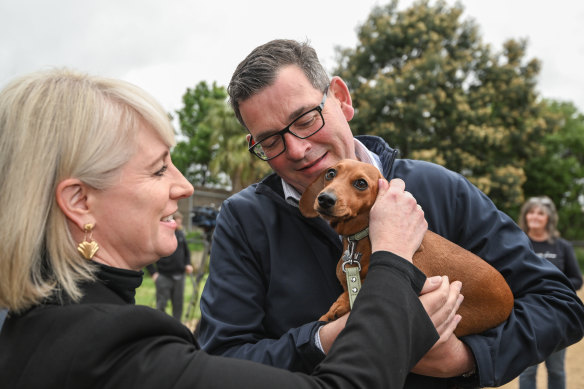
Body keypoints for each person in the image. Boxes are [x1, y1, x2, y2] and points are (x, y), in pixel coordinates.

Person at [0, 68, 463, 388]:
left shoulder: (38, 325)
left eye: (305, 119)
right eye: (160, 169)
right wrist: (391, 261)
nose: (184, 187)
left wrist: (467, 360)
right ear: (79, 201)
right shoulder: (117, 351)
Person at [197, 39, 584, 388]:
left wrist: (465, 360)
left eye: (305, 119)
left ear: (341, 99)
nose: (297, 149)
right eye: (271, 140)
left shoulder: (440, 188)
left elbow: (559, 305)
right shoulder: (243, 220)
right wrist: (328, 338)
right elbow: (218, 362)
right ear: (255, 144)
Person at [517, 196, 583, 389]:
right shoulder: (518, 243)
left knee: (556, 370)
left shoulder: (562, 246)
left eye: (540, 213)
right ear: (525, 216)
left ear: (549, 218)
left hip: (557, 316)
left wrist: (552, 288)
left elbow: (577, 280)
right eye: (531, 212)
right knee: (527, 369)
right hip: (526, 316)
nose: (534, 216)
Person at [146, 211, 193, 321]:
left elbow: (187, 252)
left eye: (180, 222)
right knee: (161, 303)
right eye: (177, 221)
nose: (179, 224)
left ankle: (177, 327)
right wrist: (153, 273)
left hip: (180, 276)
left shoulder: (181, 235)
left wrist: (187, 264)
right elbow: (148, 254)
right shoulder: (160, 234)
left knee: (178, 304)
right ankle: (161, 326)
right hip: (164, 276)